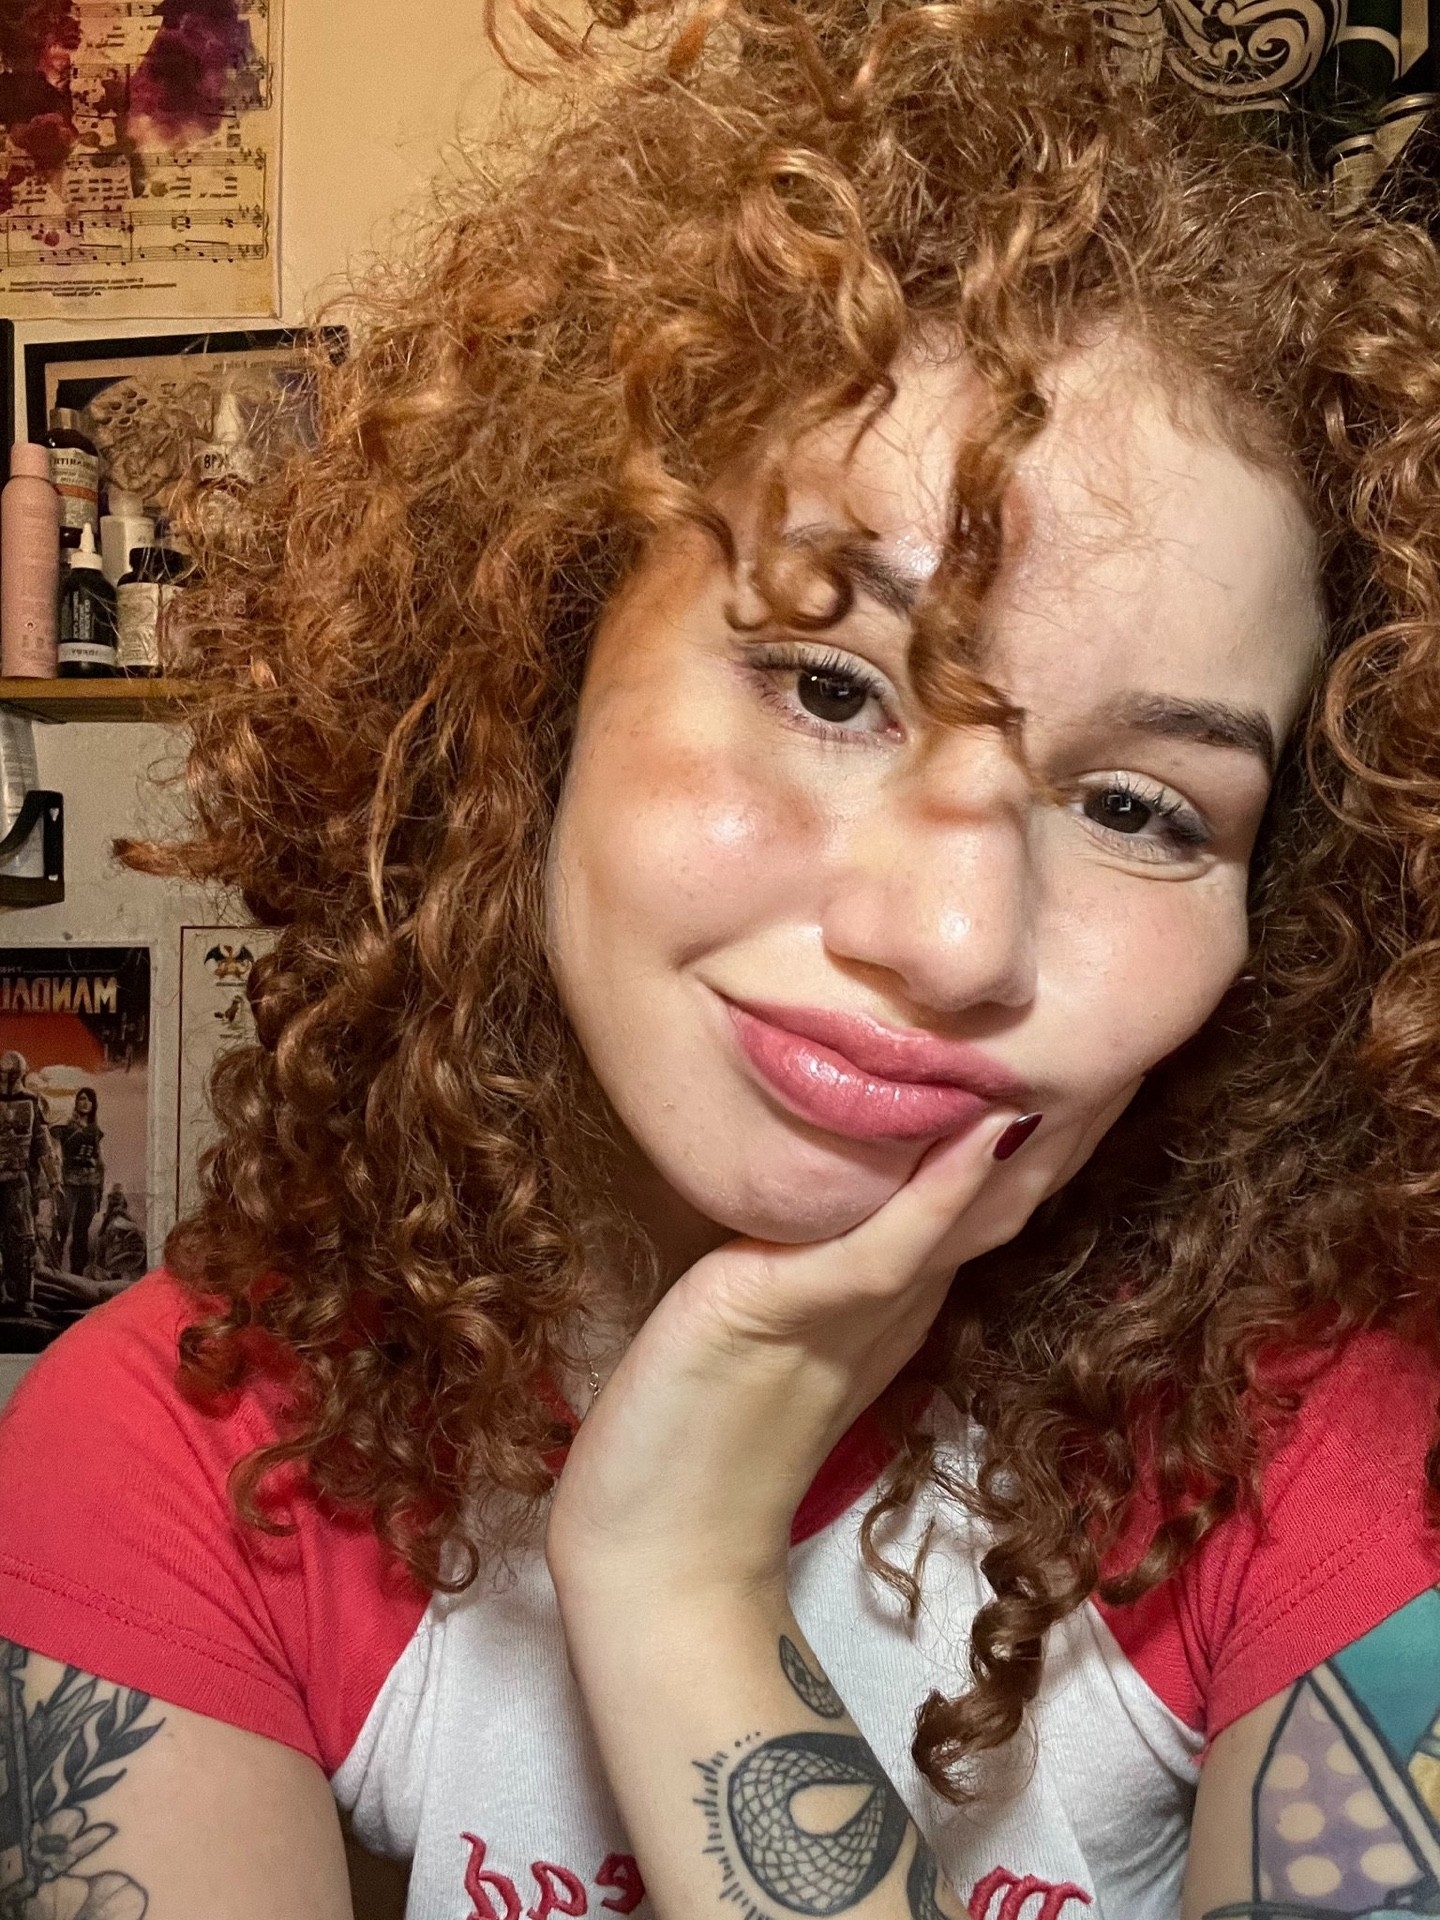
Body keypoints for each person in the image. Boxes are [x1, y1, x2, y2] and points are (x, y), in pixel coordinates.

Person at [0, 1, 1438, 1915]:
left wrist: (682, 1583)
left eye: (1139, 807)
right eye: (831, 687)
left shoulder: (1323, 1434)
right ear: (533, 684)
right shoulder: (180, 1452)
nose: (951, 939)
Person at [0, 1051, 49, 1317]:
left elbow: (42, 1143)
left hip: (18, 1178)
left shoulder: (31, 1101)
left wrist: (54, 1180)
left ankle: (25, 1298)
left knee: (25, 1241)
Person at [49, 1086, 104, 1275]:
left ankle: (77, 1272)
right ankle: (52, 1269)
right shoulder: (66, 1127)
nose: (85, 1103)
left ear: (93, 1104)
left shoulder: (95, 1131)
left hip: (89, 1185)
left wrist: (99, 1188)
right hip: (69, 1183)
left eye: (89, 1099)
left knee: (82, 1231)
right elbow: (53, 1140)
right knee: (62, 1226)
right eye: (81, 1099)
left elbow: (100, 1161)